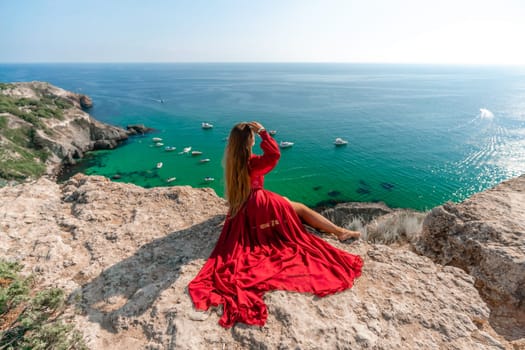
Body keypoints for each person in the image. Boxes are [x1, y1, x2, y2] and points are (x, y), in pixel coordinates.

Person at [188, 121, 363, 328]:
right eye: (252, 135)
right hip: (259, 203)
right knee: (301, 209)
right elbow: (274, 156)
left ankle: (333, 229)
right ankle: (340, 232)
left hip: (242, 206)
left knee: (289, 203)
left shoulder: (232, 160)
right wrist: (264, 133)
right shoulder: (252, 162)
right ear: (250, 140)